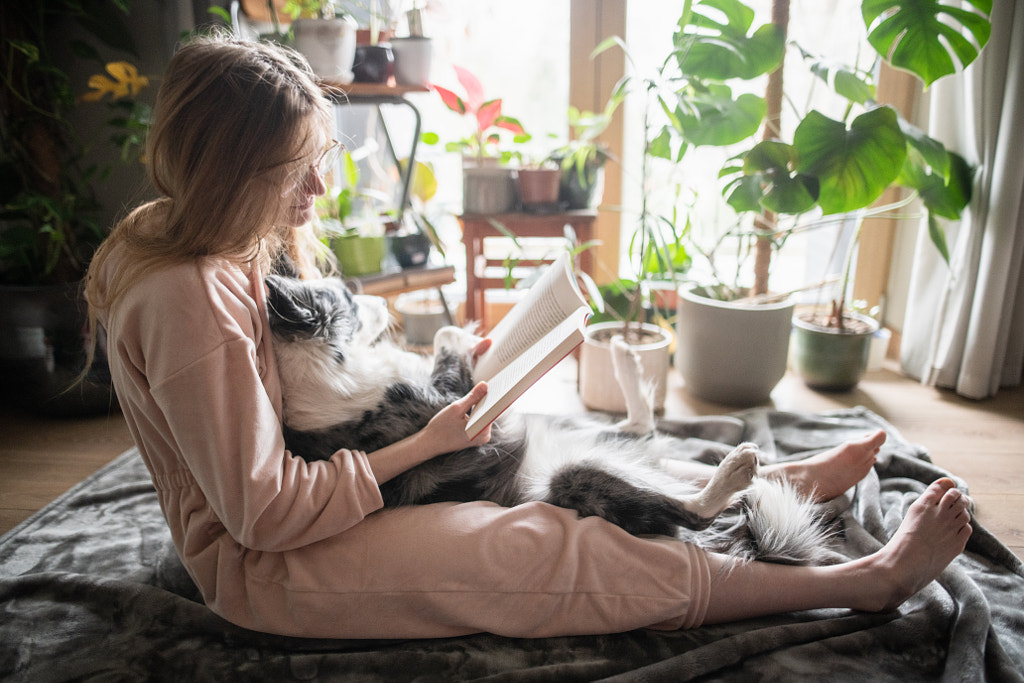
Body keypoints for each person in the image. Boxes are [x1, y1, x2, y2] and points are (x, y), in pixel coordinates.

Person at [84, 34, 972, 640]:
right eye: (294, 169)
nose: (317, 188)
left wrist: (448, 380)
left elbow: (299, 400)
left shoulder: (213, 244)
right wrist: (424, 444)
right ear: (231, 169)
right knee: (544, 540)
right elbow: (264, 513)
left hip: (310, 509)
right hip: (266, 567)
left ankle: (766, 485)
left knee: (546, 449)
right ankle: (859, 582)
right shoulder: (186, 297)